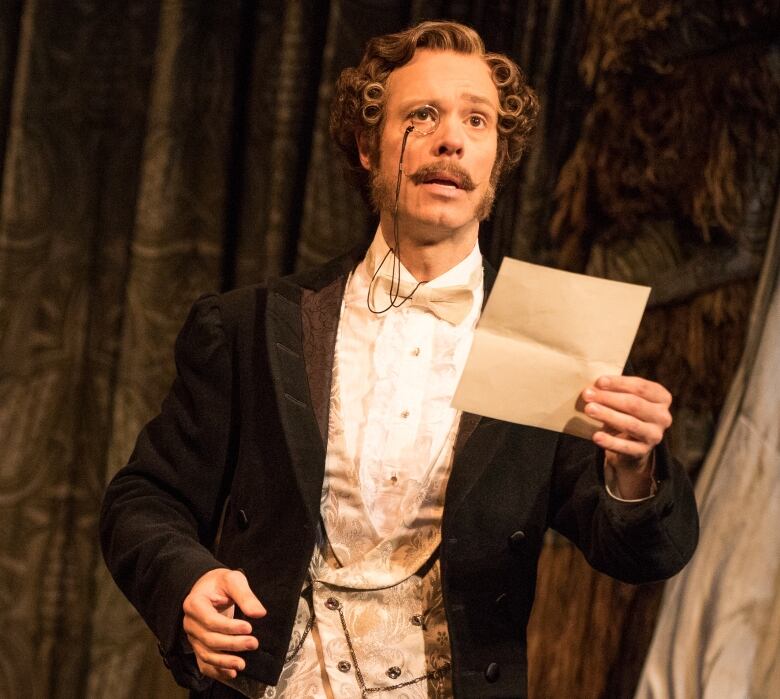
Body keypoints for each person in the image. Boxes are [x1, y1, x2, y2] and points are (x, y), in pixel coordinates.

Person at [100, 20, 698, 699]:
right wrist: (187, 580)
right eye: (422, 115)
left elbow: (643, 553)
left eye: (477, 121)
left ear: (497, 160)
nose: (451, 138)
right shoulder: (255, 324)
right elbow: (141, 499)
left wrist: (634, 468)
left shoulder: (545, 337)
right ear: (366, 146)